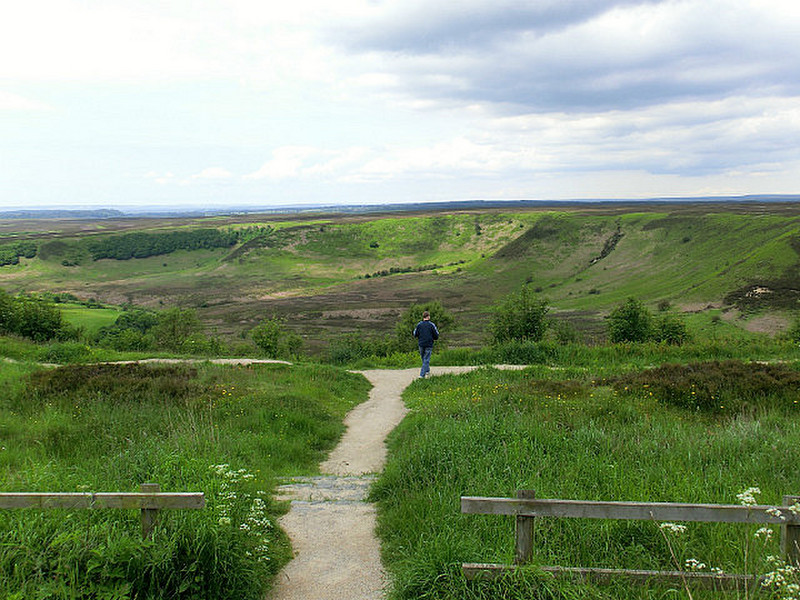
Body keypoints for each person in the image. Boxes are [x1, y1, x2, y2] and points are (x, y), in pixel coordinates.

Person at [413, 310, 439, 378]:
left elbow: (415, 334)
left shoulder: (419, 325)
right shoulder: (432, 325)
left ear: (423, 317)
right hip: (429, 344)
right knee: (426, 359)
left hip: (421, 343)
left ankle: (425, 372)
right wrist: (434, 338)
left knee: (423, 358)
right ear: (428, 317)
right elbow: (436, 335)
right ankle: (423, 374)